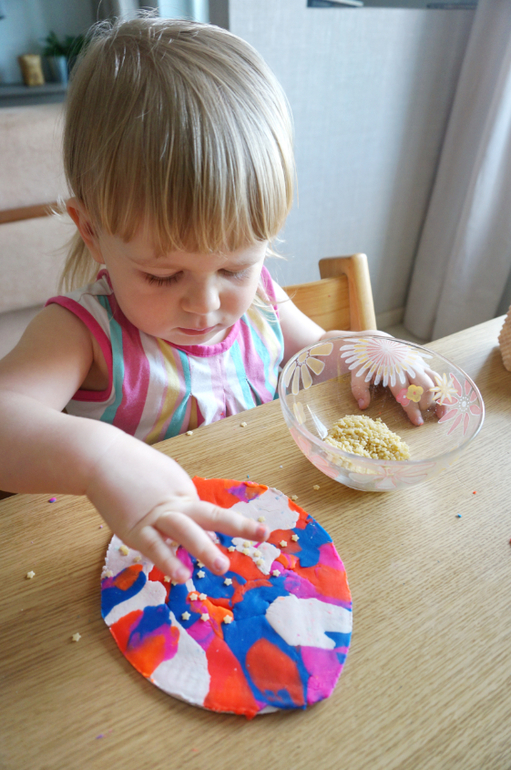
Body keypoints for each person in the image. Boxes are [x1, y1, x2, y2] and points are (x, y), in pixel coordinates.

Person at [0, 16, 435, 582]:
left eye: (235, 267)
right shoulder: (82, 333)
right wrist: (98, 460)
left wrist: (365, 355)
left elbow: (318, 355)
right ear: (92, 231)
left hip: (256, 543)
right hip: (133, 566)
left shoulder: (262, 303)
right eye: (162, 275)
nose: (205, 304)